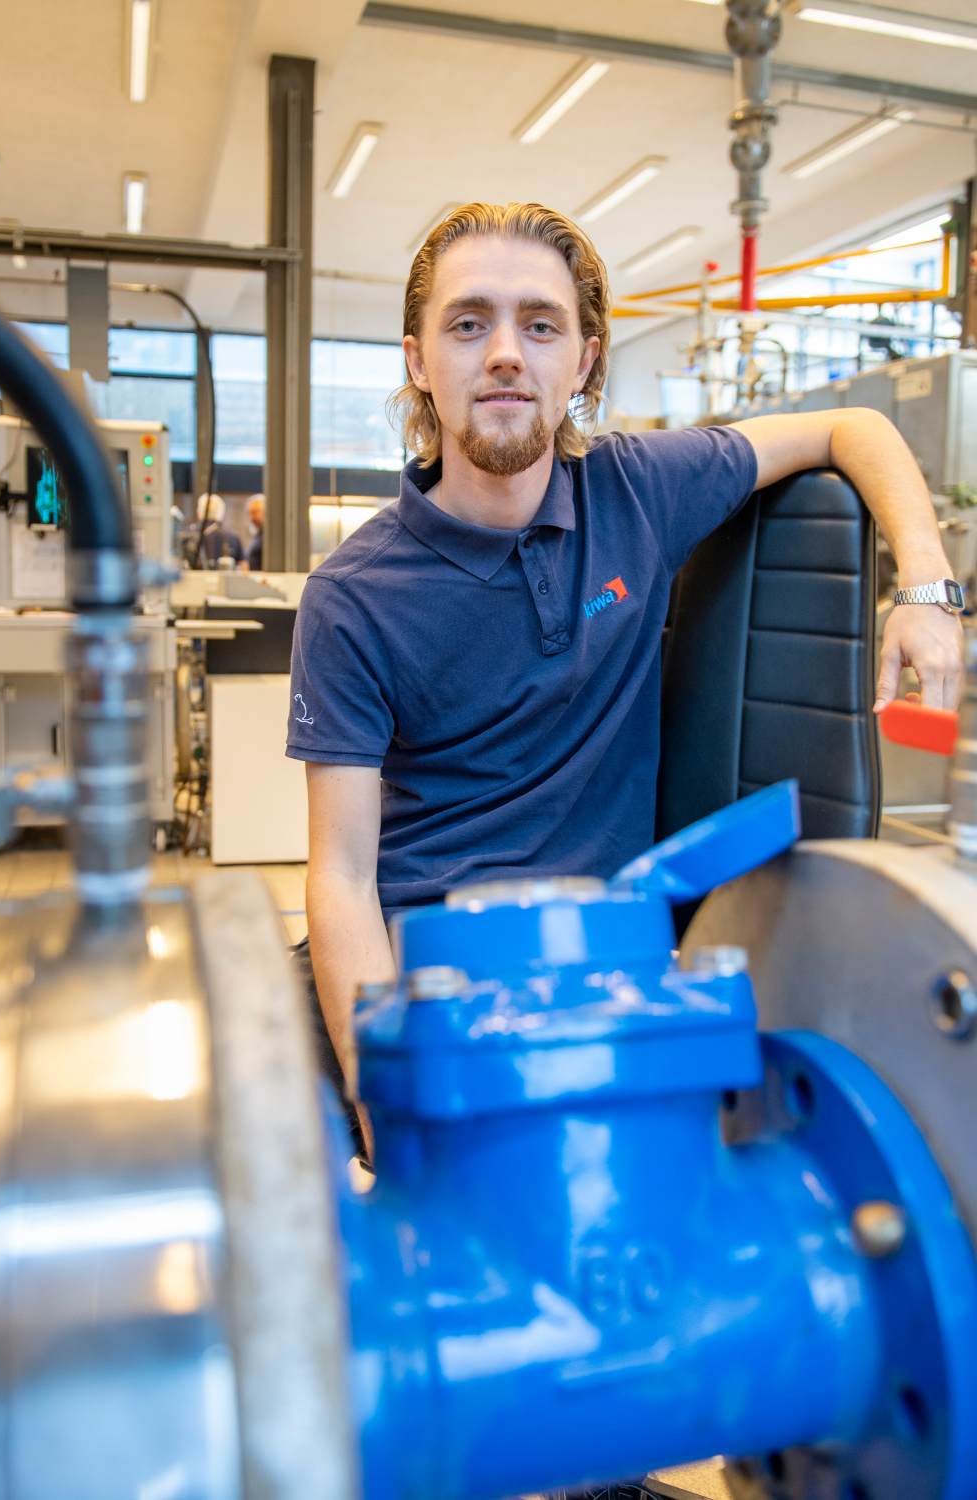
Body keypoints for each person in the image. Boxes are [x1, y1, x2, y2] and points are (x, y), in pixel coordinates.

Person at [286, 201, 965, 1155]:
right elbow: (346, 878)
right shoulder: (352, 596)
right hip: (414, 965)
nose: (507, 354)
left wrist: (928, 589)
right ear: (418, 361)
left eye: (541, 324)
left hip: (593, 964)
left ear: (587, 360)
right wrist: (382, 1088)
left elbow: (854, 429)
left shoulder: (641, 490)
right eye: (469, 322)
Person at [194, 492, 244, 569]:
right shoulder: (233, 537)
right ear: (221, 511)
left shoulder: (192, 535)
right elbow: (242, 565)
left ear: (199, 511)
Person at [244, 492, 265, 571]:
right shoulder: (259, 534)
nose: (251, 518)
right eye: (250, 513)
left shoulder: (270, 538)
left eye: (254, 512)